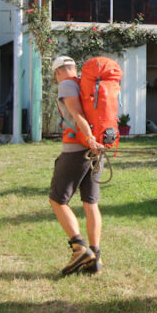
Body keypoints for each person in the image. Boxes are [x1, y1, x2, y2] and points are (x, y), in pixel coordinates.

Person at [49, 55, 103, 276]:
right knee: (90, 203)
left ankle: (79, 248)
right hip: (97, 149)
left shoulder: (67, 84)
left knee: (57, 199)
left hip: (77, 148)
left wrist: (88, 137)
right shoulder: (86, 83)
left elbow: (76, 113)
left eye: (55, 75)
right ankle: (95, 258)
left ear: (59, 72)